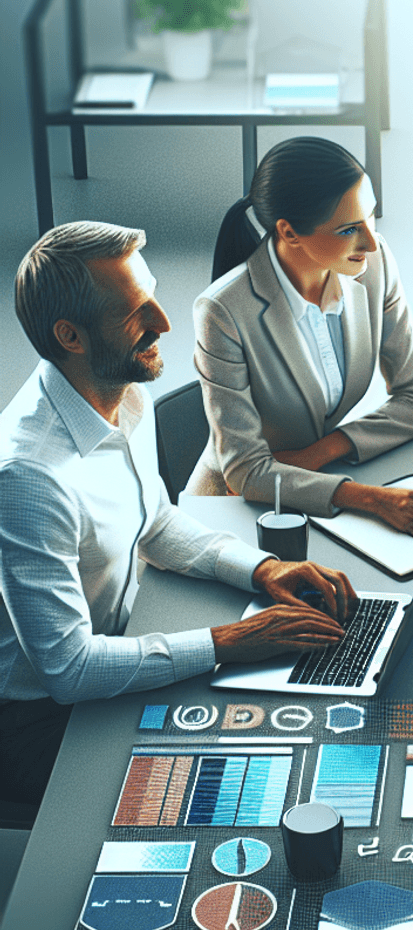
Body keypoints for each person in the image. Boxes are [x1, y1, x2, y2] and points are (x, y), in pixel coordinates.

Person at [1, 222, 357, 809]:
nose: (164, 323)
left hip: (119, 649)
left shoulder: (123, 396)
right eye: (133, 311)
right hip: (38, 720)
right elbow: (67, 670)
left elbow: (157, 523)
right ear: (71, 336)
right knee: (238, 777)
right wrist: (230, 640)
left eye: (154, 295)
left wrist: (262, 569)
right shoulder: (29, 479)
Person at [189, 136, 413, 534]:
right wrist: (372, 499)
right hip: (234, 510)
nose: (370, 241)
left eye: (371, 216)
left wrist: (321, 452)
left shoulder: (374, 265)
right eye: (348, 229)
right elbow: (245, 472)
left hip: (316, 482)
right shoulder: (222, 311)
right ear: (289, 232)